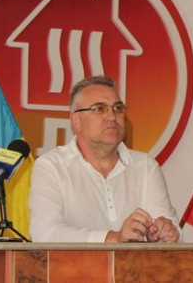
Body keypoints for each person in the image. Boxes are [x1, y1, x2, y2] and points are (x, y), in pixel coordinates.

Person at [29, 76, 181, 243]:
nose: (112, 116)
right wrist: (112, 238)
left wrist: (163, 233)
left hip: (135, 261)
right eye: (99, 108)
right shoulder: (51, 166)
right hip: (75, 262)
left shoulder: (145, 167)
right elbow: (45, 232)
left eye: (118, 108)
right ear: (76, 120)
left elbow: (173, 231)